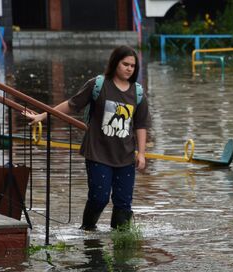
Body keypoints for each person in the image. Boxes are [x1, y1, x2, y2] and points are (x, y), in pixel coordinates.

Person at [25, 45, 150, 230]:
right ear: (115, 63)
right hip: (98, 153)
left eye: (133, 65)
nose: (129, 68)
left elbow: (141, 125)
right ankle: (87, 230)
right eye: (125, 64)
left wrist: (141, 153)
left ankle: (121, 240)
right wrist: (42, 116)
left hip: (125, 156)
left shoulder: (137, 93)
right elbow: (71, 105)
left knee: (123, 204)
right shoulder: (98, 85)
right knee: (99, 198)